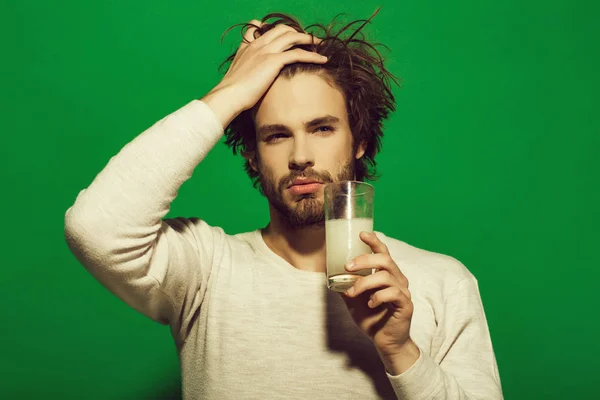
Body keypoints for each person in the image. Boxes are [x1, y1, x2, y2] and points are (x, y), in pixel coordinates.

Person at [64, 10, 503, 400]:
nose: (300, 156)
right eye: (276, 134)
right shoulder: (205, 268)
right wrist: (232, 93)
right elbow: (95, 227)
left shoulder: (443, 282)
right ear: (253, 154)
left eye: (322, 128)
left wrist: (400, 351)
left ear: (360, 142)